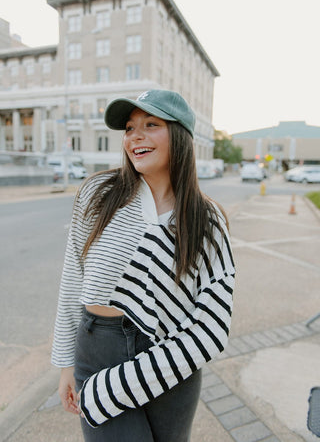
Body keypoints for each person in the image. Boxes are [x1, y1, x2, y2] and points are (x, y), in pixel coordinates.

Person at [52, 89, 235, 442]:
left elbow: (212, 325)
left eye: (150, 124)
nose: (135, 135)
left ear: (179, 135)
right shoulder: (98, 194)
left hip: (172, 358)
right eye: (129, 127)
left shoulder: (205, 219)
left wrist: (117, 386)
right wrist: (65, 365)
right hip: (98, 348)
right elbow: (72, 279)